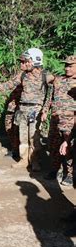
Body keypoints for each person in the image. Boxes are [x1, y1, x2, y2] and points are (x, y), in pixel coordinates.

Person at [0, 48, 54, 171]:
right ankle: (24, 160)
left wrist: (45, 110)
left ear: (35, 61)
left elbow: (55, 91)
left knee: (34, 137)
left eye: (27, 61)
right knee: (23, 137)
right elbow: (9, 84)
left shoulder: (46, 75)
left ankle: (34, 161)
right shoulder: (22, 75)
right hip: (23, 109)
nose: (25, 63)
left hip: (36, 110)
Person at [57, 55, 76, 187]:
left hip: (72, 120)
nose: (66, 68)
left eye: (70, 66)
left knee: (70, 148)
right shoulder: (60, 80)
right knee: (58, 146)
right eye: (66, 65)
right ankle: (59, 169)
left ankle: (69, 174)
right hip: (58, 118)